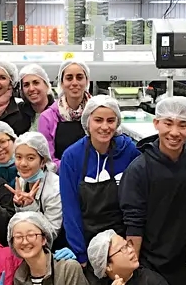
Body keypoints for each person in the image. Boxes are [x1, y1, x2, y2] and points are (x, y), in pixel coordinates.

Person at [120, 96, 186, 285]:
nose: (174, 132)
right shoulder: (139, 169)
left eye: (183, 125)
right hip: (151, 265)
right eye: (168, 123)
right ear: (156, 123)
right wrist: (135, 271)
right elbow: (134, 225)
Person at [59, 95, 140, 265]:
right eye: (98, 120)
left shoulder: (129, 151)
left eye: (110, 120)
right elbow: (70, 207)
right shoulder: (72, 156)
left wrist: (130, 247)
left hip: (121, 244)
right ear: (87, 122)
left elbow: (138, 203)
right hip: (87, 240)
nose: (105, 127)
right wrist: (80, 252)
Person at [7, 131, 63, 233]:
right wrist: (19, 206)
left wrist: (30, 206)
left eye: (30, 158)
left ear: (43, 161)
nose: (23, 164)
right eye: (18, 157)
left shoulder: (55, 188)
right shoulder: (21, 181)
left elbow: (52, 231)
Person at [38, 59, 91, 165]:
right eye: (69, 78)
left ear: (87, 81)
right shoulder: (47, 117)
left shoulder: (96, 112)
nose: (74, 83)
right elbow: (47, 159)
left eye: (79, 77)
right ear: (62, 83)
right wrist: (72, 169)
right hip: (61, 176)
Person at [19, 63, 54, 131]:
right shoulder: (18, 113)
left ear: (46, 85)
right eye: (26, 85)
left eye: (36, 83)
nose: (31, 89)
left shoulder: (58, 112)